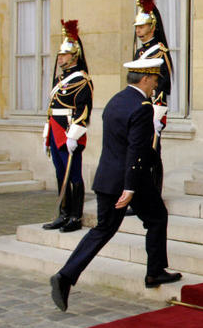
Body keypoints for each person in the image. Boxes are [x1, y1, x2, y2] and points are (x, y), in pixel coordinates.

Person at [50, 58, 182, 312]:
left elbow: (120, 143)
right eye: (154, 80)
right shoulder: (142, 107)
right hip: (129, 181)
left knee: (112, 227)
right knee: (153, 218)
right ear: (145, 79)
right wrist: (129, 188)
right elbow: (135, 150)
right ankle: (153, 272)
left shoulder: (116, 100)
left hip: (108, 178)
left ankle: (67, 275)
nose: (155, 85)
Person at [42, 20, 92, 233]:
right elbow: (52, 108)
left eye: (64, 54)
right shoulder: (59, 80)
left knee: (74, 175)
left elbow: (83, 110)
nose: (60, 58)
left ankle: (75, 216)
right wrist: (47, 131)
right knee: (60, 173)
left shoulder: (82, 80)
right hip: (55, 130)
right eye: (60, 54)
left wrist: (74, 135)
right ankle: (63, 213)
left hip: (69, 131)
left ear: (74, 56)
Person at [133, 0, 174, 194]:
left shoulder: (159, 51)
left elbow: (164, 82)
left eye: (142, 27)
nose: (138, 30)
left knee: (153, 152)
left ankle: (154, 193)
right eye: (137, 27)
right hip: (139, 107)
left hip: (153, 108)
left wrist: (158, 111)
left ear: (152, 27)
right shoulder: (139, 52)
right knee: (139, 151)